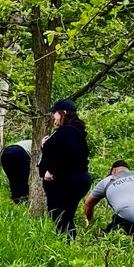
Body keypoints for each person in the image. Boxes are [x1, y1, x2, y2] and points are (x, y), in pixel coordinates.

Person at [38, 99, 90, 237]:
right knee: (64, 217)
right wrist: (45, 147)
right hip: (71, 180)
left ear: (64, 113)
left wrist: (52, 170)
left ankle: (65, 244)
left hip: (66, 181)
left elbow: (69, 152)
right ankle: (67, 245)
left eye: (55, 113)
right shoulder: (71, 131)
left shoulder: (68, 131)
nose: (53, 116)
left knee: (60, 216)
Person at [84, 160, 134, 242]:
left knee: (105, 238)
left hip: (127, 224)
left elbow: (88, 203)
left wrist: (90, 222)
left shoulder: (106, 181)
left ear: (113, 170)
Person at [0, 138, 33, 203]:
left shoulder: (29, 141)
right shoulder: (41, 145)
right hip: (20, 152)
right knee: (24, 179)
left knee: (13, 179)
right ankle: (24, 200)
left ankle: (16, 200)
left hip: (6, 152)